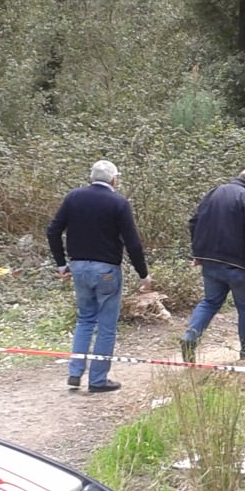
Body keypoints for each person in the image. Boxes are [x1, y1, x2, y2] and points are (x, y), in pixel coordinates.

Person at [46, 159, 149, 394]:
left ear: (91, 178)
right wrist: (143, 274)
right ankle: (98, 379)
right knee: (106, 326)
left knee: (84, 319)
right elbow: (132, 242)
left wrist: (61, 264)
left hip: (79, 267)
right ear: (114, 180)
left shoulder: (73, 197)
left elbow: (53, 230)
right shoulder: (119, 203)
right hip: (106, 270)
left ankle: (74, 372)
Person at [180, 169, 245, 363]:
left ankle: (190, 337)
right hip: (240, 264)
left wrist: (198, 252)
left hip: (210, 261)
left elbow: (194, 222)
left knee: (210, 302)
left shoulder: (213, 192)